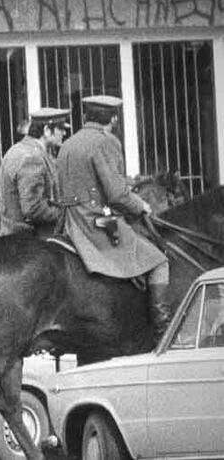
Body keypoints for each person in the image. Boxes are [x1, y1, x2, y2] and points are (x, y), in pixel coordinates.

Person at [56, 95, 170, 343]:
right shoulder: (105, 142)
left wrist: (131, 182)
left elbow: (86, 183)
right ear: (114, 118)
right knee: (159, 261)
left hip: (71, 221)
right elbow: (116, 195)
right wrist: (142, 205)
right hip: (98, 222)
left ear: (87, 116)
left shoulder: (68, 143)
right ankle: (163, 331)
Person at [0, 107, 70, 238]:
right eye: (61, 129)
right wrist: (66, 213)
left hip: (12, 238)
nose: (64, 133)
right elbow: (33, 208)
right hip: (28, 243)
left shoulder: (17, 150)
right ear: (47, 130)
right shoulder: (32, 157)